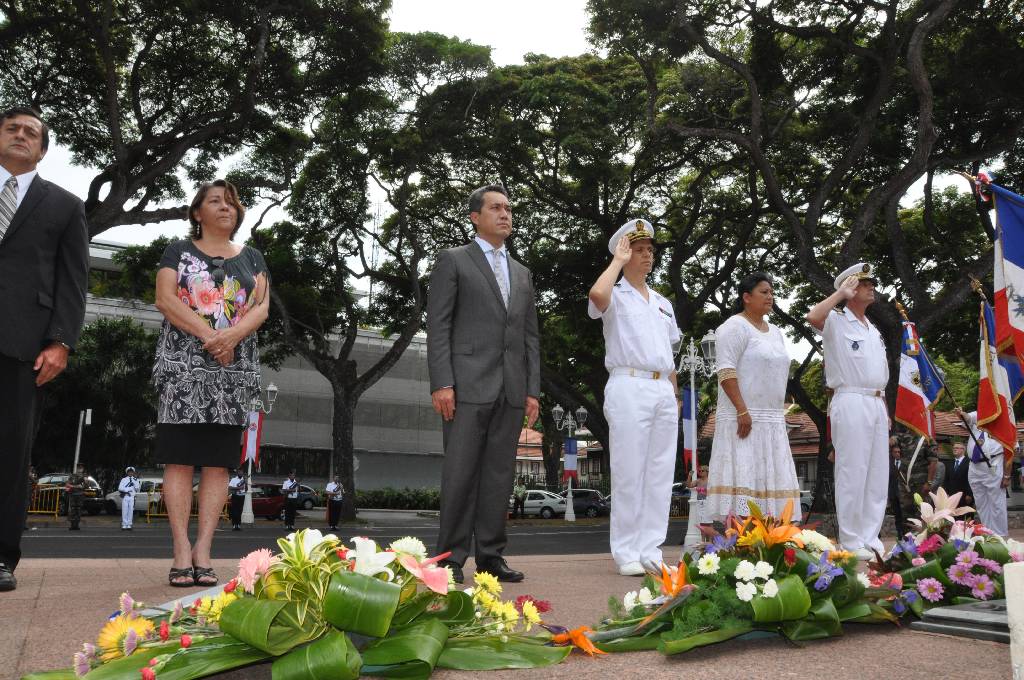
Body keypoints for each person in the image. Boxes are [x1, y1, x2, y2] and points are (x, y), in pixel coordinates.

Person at [152, 179, 271, 587]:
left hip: (234, 373)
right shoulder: (178, 251)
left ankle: (204, 550)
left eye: (232, 203)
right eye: (215, 201)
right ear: (197, 213)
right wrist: (211, 337)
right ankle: (180, 551)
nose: (226, 208)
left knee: (220, 463)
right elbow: (166, 299)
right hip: (182, 368)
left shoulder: (253, 257)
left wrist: (232, 338)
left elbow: (261, 307)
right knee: (180, 459)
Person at [427, 184, 540, 584]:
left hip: (510, 390)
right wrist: (442, 382)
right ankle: (449, 557)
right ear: (475, 216)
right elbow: (438, 325)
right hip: (465, 387)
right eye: (495, 208)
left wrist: (532, 390)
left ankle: (491, 556)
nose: (505, 214)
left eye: (508, 208)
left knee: (498, 476)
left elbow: (529, 336)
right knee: (460, 473)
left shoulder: (523, 273)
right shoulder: (453, 261)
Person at [0, 108, 89, 592]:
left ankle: (1, 555)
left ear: (43, 149)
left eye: (30, 133)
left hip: (21, 343)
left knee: (10, 453)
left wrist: (61, 341)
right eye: (11, 128)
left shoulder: (64, 205)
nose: (20, 135)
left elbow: (73, 282)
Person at [588, 219, 680, 576]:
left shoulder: (662, 303)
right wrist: (615, 261)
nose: (647, 256)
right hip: (628, 383)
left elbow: (667, 352)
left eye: (650, 250)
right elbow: (597, 297)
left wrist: (674, 392)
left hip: (660, 387)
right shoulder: (615, 292)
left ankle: (651, 548)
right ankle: (626, 551)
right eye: (639, 250)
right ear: (624, 255)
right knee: (629, 471)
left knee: (659, 472)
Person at [806, 263, 889, 560]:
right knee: (852, 471)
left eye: (871, 282)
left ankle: (871, 537)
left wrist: (885, 410)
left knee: (877, 474)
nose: (871, 287)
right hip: (850, 398)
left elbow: (877, 372)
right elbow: (813, 316)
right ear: (850, 288)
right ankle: (852, 540)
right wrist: (839, 294)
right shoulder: (837, 320)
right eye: (864, 283)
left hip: (876, 402)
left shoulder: (873, 328)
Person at [705, 272, 801, 523]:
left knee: (771, 483)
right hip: (743, 418)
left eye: (771, 291)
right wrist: (741, 410)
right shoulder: (733, 327)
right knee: (745, 479)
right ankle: (741, 542)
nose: (770, 296)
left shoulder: (777, 332)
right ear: (746, 297)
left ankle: (773, 543)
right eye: (763, 292)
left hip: (772, 419)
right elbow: (725, 370)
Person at [955, 408, 1013, 536]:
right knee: (981, 504)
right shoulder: (980, 413)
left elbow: (1010, 451)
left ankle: (1000, 536)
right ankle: (986, 534)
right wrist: (961, 413)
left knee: (996, 504)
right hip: (975, 466)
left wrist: (1007, 475)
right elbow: (968, 418)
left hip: (993, 464)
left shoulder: (1004, 421)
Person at [944, 441, 973, 507]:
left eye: (957, 448)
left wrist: (970, 494)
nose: (954, 449)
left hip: (964, 496)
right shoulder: (949, 463)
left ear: (963, 450)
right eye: (954, 448)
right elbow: (946, 480)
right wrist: (946, 493)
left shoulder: (970, 463)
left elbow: (971, 479)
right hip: (951, 496)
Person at [65, 464, 88, 531]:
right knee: (73, 510)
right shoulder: (72, 476)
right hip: (73, 495)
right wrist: (76, 486)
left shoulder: (84, 477)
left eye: (81, 468)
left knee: (78, 510)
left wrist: (74, 486)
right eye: (78, 468)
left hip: (80, 495)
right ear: (77, 469)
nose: (79, 469)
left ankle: (76, 525)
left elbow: (85, 486)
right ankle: (72, 525)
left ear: (83, 469)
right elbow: (67, 484)